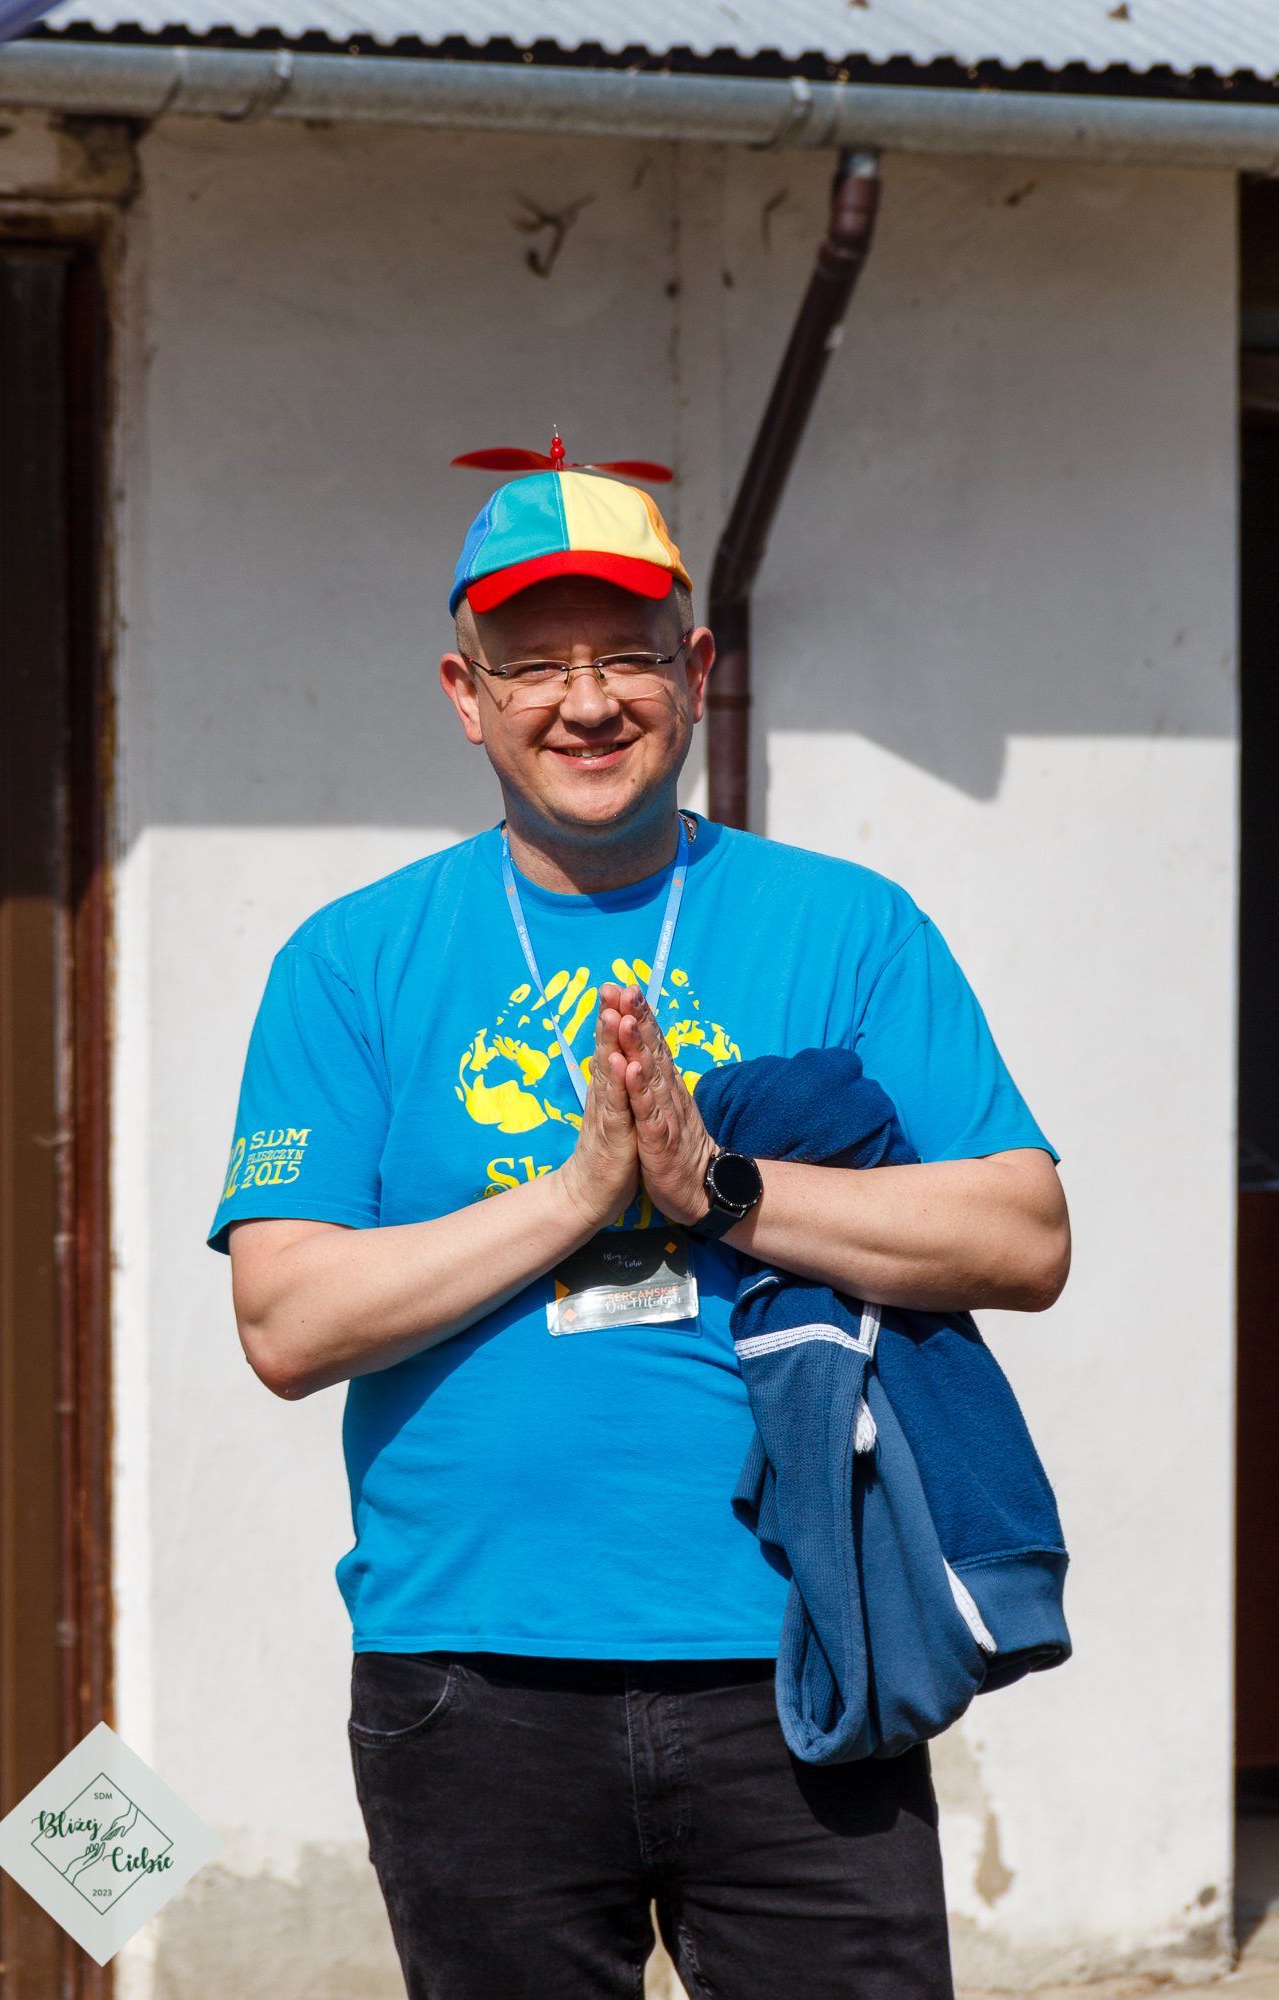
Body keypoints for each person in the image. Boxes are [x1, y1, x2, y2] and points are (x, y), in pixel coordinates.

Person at [210, 468, 1070, 2000]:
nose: (587, 701)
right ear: (465, 695)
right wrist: (575, 1195)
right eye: (534, 665)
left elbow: (1022, 1235)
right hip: (468, 1676)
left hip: (803, 1647)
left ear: (695, 670)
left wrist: (717, 1188)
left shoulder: (847, 926)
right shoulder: (349, 962)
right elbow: (285, 1322)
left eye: (626, 655)